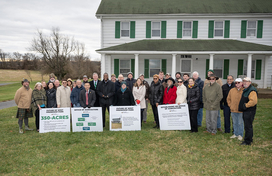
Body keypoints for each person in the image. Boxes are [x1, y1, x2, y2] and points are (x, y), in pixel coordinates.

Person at [238, 77, 258, 146]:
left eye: (247, 81)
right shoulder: (246, 89)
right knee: (248, 125)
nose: (245, 83)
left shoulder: (252, 90)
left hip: (249, 111)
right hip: (246, 111)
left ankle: (247, 141)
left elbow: (253, 101)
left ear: (250, 82)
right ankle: (250, 139)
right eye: (244, 81)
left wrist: (245, 105)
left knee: (248, 126)